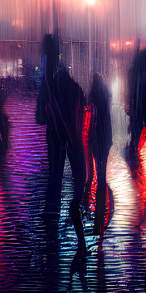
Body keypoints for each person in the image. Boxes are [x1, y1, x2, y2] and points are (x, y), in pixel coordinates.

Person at [38, 34, 87, 255]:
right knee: (79, 174)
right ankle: (76, 206)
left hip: (55, 134)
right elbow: (83, 104)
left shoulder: (49, 82)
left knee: (55, 174)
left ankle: (52, 213)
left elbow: (40, 116)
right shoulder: (74, 84)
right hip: (71, 134)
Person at [88, 72, 114, 236]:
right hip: (103, 139)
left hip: (98, 139)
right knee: (102, 171)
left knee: (100, 170)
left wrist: (92, 140)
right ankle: (104, 202)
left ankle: (100, 208)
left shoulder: (95, 105)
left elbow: (93, 126)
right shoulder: (104, 103)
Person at [124, 45, 146, 161]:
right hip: (144, 106)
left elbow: (131, 90)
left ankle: (135, 153)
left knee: (136, 131)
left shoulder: (134, 71)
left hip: (137, 106)